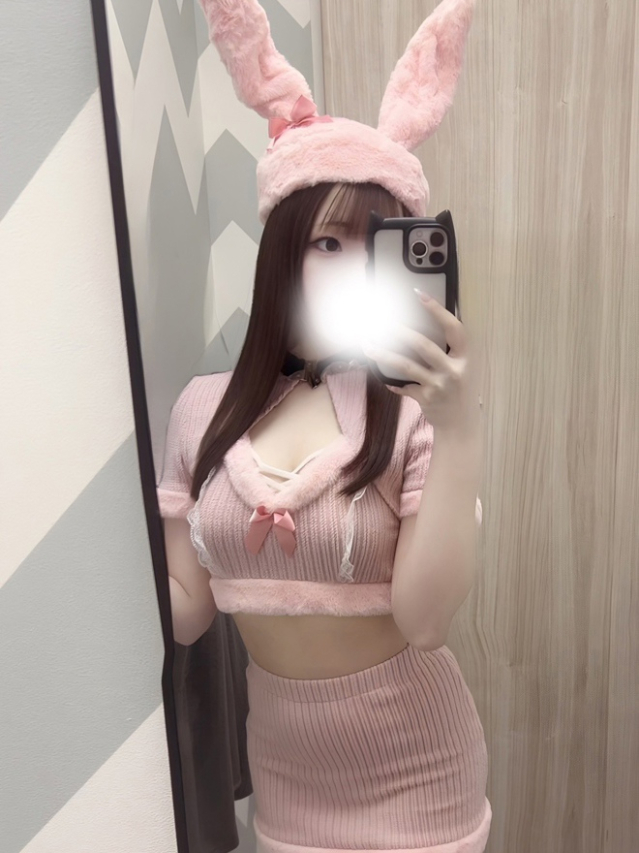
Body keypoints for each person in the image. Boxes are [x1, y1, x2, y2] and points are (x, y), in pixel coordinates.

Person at [157, 0, 491, 851]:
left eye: (375, 247)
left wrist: (458, 428)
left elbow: (424, 621)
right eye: (328, 242)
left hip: (419, 778)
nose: (350, 268)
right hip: (284, 779)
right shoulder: (202, 409)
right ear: (283, 248)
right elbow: (185, 615)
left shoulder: (410, 415)